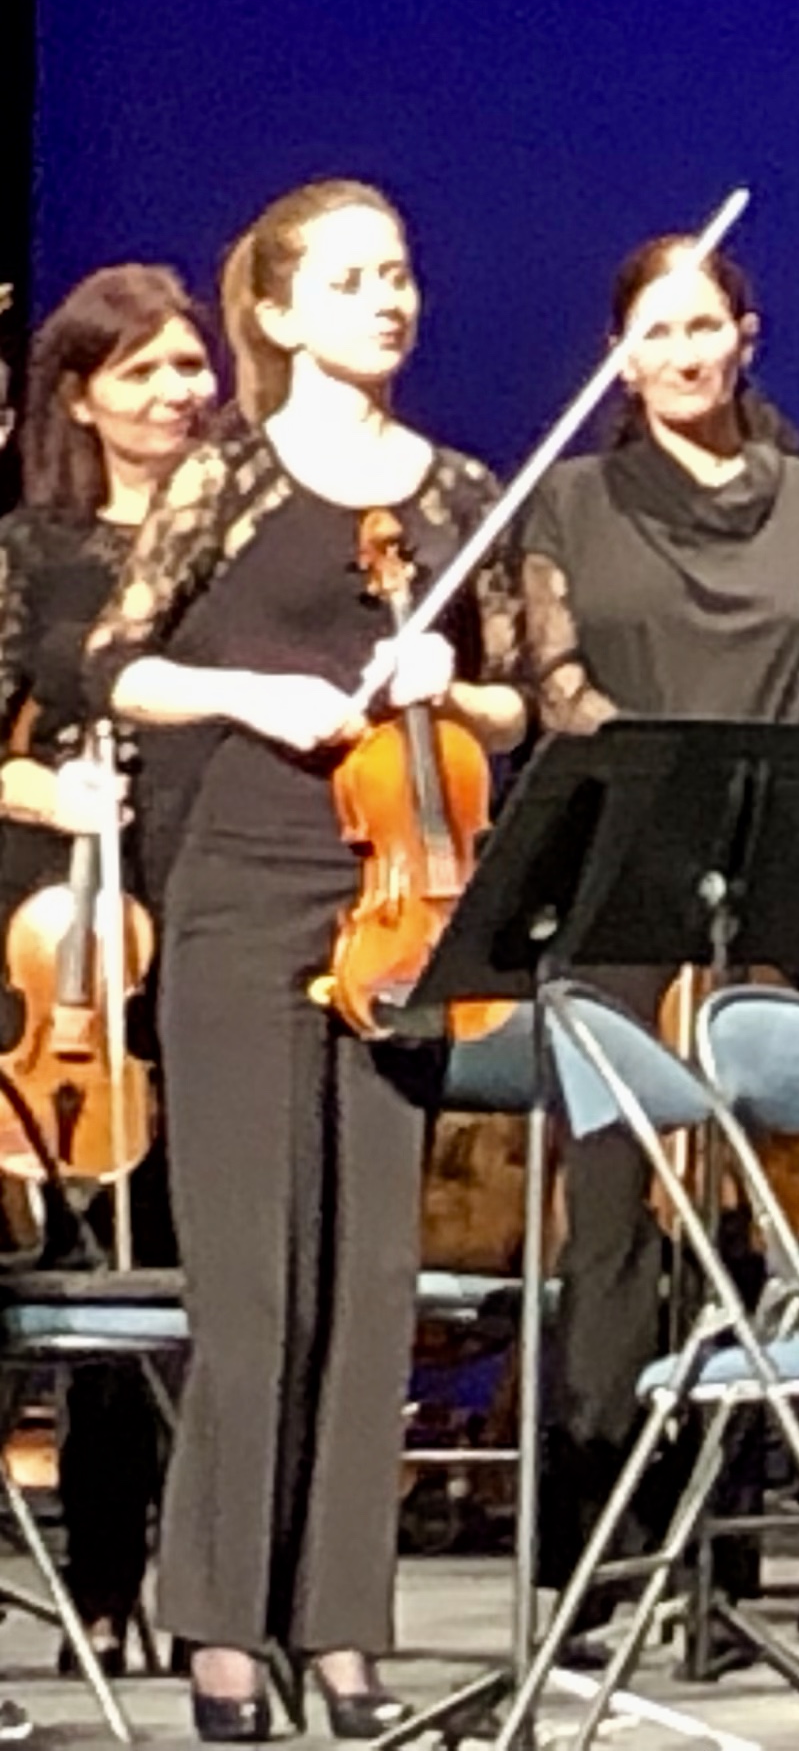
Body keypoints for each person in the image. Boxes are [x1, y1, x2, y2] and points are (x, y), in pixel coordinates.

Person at [96, 181, 534, 1742]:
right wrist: (247, 693)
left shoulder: (461, 490)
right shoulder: (227, 475)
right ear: (277, 312)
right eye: (351, 279)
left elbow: (526, 701)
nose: (387, 300)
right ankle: (223, 1625)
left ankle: (344, 1627)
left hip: (402, 896)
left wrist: (452, 686)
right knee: (256, 1283)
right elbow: (118, 662)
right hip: (244, 895)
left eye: (399, 273)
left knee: (370, 1287)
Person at [515, 233, 799, 1592]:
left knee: (747, 1209)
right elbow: (554, 683)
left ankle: (724, 1541)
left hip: (768, 881)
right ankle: (599, 1534)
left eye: (703, 326)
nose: (682, 354)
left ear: (747, 336)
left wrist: (781, 814)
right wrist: (667, 785)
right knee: (615, 1211)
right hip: (620, 876)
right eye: (655, 332)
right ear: (621, 358)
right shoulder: (570, 503)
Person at [0, 266, 219, 1695]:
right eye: (142, 371)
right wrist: (53, 796)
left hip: (211, 901)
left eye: (190, 366)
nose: (176, 392)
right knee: (83, 1254)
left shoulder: (232, 543)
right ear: (81, 396)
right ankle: (95, 1571)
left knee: (197, 1251)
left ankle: (198, 1583)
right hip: (63, 937)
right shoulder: (34, 550)